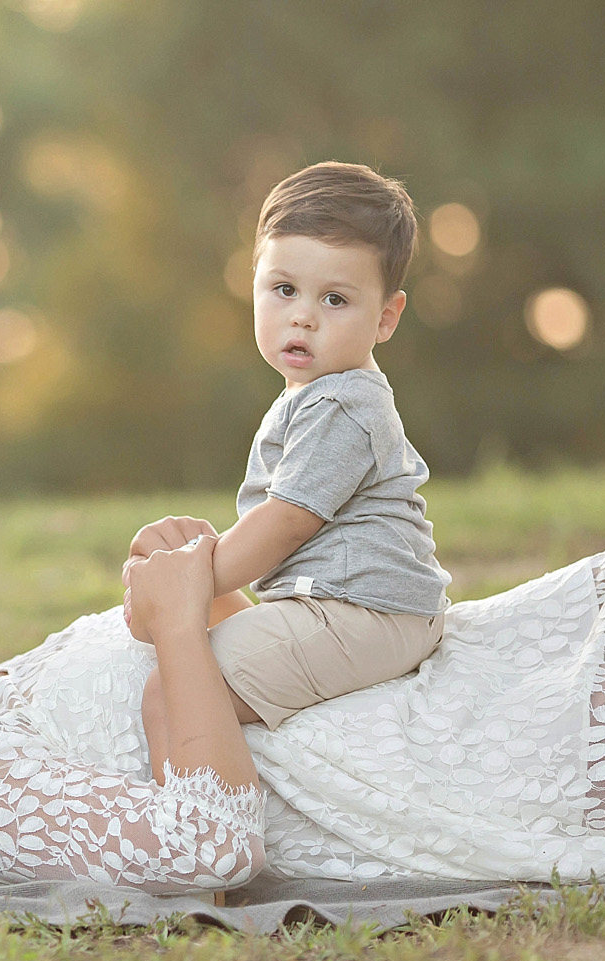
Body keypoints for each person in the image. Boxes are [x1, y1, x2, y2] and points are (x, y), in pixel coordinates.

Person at [0, 529, 605, 891]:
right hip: (435, 756)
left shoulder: (22, 674)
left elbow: (246, 683)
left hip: (453, 667)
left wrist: (201, 586)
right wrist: (177, 632)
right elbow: (210, 850)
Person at [133, 163, 451, 776]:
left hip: (370, 613)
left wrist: (188, 587)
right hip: (350, 606)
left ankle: (190, 835)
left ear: (386, 317)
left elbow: (285, 525)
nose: (303, 316)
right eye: (284, 290)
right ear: (253, 285)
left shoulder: (340, 403)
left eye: (334, 299)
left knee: (174, 689)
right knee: (191, 649)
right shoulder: (314, 395)